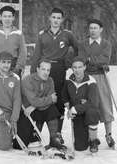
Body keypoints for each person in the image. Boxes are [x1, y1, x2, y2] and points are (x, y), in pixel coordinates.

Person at [30, 8, 78, 142]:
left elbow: (77, 49)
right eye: (54, 17)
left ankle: (57, 133)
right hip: (44, 69)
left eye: (59, 18)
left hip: (58, 69)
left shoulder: (67, 35)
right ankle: (36, 132)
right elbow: (36, 55)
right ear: (49, 18)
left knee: (58, 100)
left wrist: (69, 63)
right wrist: (33, 73)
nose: (56, 20)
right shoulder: (42, 34)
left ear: (62, 20)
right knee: (42, 98)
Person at [78, 19, 115, 148]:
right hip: (86, 78)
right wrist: (95, 62)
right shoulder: (83, 44)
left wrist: (90, 60)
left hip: (101, 77)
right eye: (91, 28)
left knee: (105, 105)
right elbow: (82, 59)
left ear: (101, 29)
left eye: (95, 28)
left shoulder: (106, 44)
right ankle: (92, 137)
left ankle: (109, 135)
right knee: (90, 105)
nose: (92, 30)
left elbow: (105, 59)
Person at [21, 59, 66, 150]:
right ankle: (35, 135)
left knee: (52, 109)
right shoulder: (28, 80)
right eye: (43, 69)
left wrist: (34, 105)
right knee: (21, 145)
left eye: (48, 70)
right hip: (26, 112)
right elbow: (37, 100)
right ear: (37, 69)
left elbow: (53, 99)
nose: (46, 72)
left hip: (34, 108)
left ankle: (54, 139)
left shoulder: (50, 80)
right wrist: (38, 103)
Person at [62, 56, 100, 153]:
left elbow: (93, 102)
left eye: (80, 67)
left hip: (87, 111)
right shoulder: (68, 80)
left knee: (92, 111)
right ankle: (87, 134)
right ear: (72, 68)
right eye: (75, 67)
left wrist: (74, 108)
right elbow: (64, 94)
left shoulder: (91, 81)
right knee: (80, 147)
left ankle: (93, 140)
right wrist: (67, 104)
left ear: (84, 67)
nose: (77, 70)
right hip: (77, 114)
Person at [0, 5, 27, 76]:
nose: (7, 19)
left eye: (9, 16)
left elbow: (23, 52)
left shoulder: (19, 33)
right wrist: (0, 61)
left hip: (14, 68)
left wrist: (18, 67)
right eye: (5, 16)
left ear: (13, 18)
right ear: (0, 17)